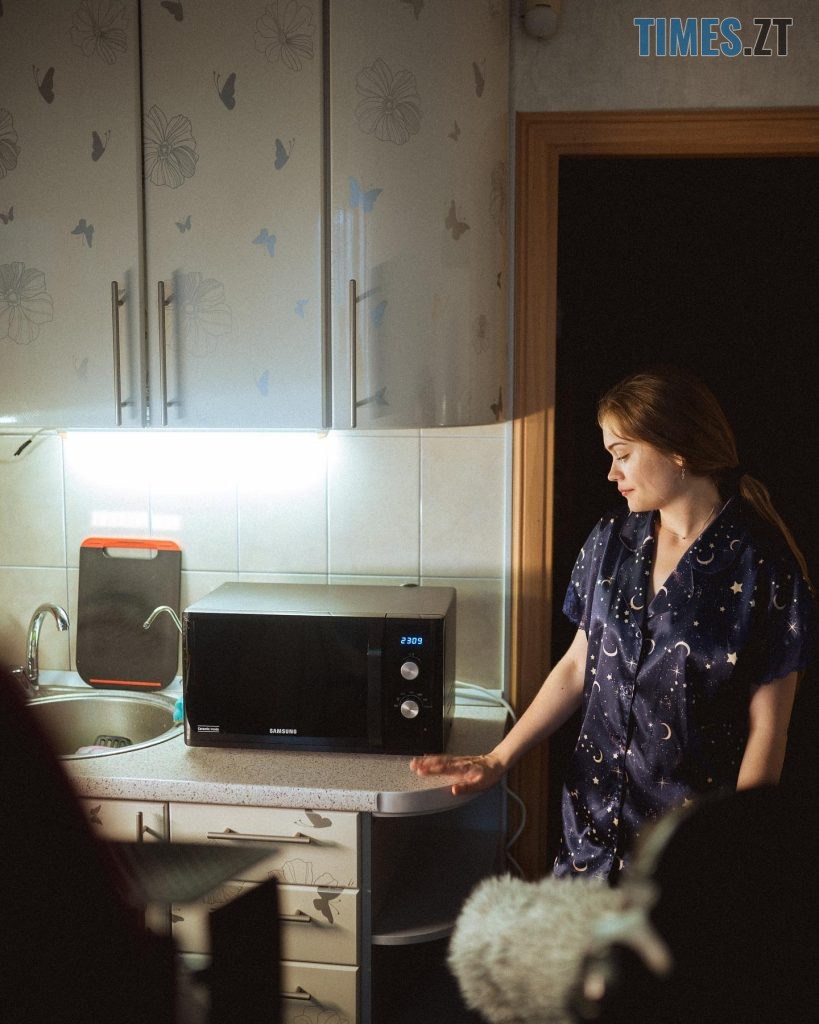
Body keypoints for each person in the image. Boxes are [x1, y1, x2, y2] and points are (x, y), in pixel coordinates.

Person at [410, 366, 816, 881]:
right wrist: (498, 759)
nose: (611, 473)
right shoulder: (609, 541)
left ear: (678, 449)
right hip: (590, 833)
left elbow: (768, 730)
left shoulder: (764, 566)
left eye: (622, 454)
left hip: (691, 853)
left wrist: (735, 855)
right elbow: (577, 665)